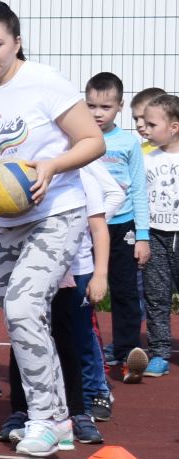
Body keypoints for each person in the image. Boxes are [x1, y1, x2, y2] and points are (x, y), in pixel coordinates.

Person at [0, 1, 104, 459]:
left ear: (16, 41)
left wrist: (52, 165)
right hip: (3, 221)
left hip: (57, 212)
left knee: (21, 304)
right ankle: (59, 417)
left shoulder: (45, 83)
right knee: (24, 321)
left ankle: (46, 420)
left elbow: (90, 140)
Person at [0, 163, 121, 450]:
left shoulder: (81, 178)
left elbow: (99, 226)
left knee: (68, 340)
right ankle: (21, 411)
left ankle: (77, 411)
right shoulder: (27, 176)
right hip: (32, 268)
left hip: (72, 270)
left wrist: (100, 273)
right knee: (24, 339)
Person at [84, 73, 150, 402]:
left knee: (125, 293)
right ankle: (92, 352)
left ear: (120, 107)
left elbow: (139, 189)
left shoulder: (127, 143)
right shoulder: (79, 139)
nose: (98, 113)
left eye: (105, 107)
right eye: (92, 105)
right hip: (87, 225)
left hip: (122, 225)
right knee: (87, 292)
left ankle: (125, 355)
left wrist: (143, 235)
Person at [138, 92, 179, 379]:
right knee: (156, 296)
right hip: (155, 235)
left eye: (151, 124)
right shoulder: (146, 159)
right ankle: (159, 353)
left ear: (174, 126)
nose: (145, 129)